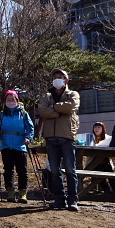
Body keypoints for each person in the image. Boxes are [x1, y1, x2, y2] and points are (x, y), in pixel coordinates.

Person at [39, 68, 81, 211]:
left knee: (70, 170)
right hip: (51, 138)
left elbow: (71, 107)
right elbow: (42, 111)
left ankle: (73, 200)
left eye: (61, 77)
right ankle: (59, 199)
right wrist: (59, 111)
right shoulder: (46, 96)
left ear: (66, 80)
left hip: (68, 137)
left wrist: (54, 108)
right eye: (55, 77)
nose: (57, 79)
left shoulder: (73, 94)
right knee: (55, 171)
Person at [0, 90, 35, 203]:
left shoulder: (24, 114)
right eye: (8, 100)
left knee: (22, 170)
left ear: (17, 100)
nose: (10, 102)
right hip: (6, 145)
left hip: (20, 146)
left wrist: (28, 138)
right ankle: (10, 193)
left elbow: (30, 128)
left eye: (12, 100)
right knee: (8, 170)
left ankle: (22, 193)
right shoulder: (2, 114)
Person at [85, 121, 115, 194]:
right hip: (93, 162)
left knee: (109, 169)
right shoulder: (90, 138)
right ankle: (106, 189)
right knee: (98, 170)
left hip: (105, 161)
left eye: (99, 127)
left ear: (103, 129)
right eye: (95, 127)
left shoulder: (108, 138)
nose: (97, 129)